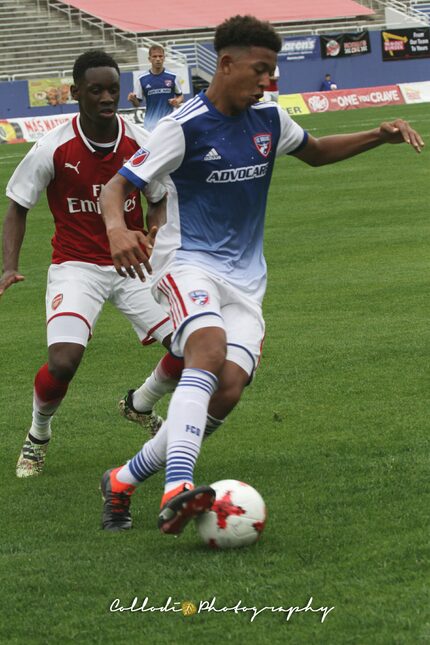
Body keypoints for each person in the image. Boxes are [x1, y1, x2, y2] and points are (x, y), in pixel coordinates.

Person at [98, 15, 424, 534]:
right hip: (188, 262)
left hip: (246, 278)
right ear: (226, 64)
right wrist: (118, 231)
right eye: (261, 71)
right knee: (204, 349)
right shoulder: (183, 126)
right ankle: (179, 485)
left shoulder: (269, 118)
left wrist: (377, 135)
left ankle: (121, 479)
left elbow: (314, 153)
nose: (268, 83)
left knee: (226, 387)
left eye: (272, 72)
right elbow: (115, 187)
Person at [0, 50, 185, 478]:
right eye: (97, 90)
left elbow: (158, 200)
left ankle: (139, 404)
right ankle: (38, 434)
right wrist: (9, 266)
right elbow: (17, 204)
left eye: (113, 90)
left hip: (135, 265)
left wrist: (154, 236)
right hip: (76, 265)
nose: (106, 97)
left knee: (188, 347)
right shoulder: (53, 146)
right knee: (63, 361)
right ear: (76, 92)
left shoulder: (140, 141)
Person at [127, 44, 184, 131]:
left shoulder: (173, 77)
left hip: (169, 123)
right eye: (154, 56)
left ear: (164, 58)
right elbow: (137, 104)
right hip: (150, 126)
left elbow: (180, 96)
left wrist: (177, 101)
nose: (158, 59)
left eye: (160, 56)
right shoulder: (141, 79)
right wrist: (133, 100)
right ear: (149, 59)